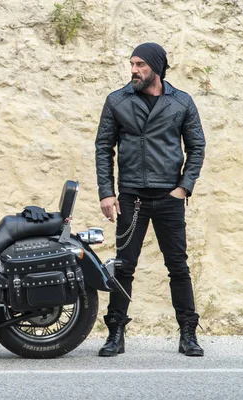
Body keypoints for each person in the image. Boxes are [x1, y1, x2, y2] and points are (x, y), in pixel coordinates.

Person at [94, 42, 206, 357]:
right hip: (131, 197)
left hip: (169, 196)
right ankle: (115, 334)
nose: (134, 70)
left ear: (155, 67)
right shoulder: (117, 101)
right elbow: (103, 146)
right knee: (124, 266)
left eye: (141, 65)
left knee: (178, 267)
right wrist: (107, 191)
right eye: (132, 64)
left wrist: (184, 186)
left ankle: (188, 334)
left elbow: (197, 145)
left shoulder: (181, 102)